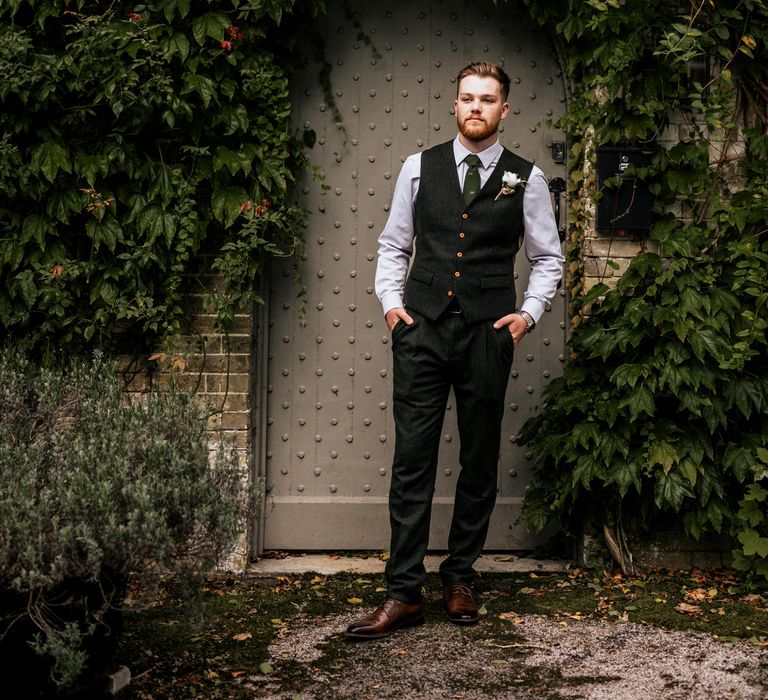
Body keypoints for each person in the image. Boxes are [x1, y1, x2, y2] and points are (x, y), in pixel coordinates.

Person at [345, 62, 564, 639]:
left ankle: (461, 576)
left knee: (479, 458)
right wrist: (393, 307)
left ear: (504, 109)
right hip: (422, 330)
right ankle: (403, 592)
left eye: (487, 100)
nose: (476, 108)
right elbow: (394, 244)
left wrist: (527, 315)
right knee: (412, 459)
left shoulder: (528, 178)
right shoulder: (418, 169)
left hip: (488, 334)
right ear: (454, 104)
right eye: (468, 98)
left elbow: (548, 258)